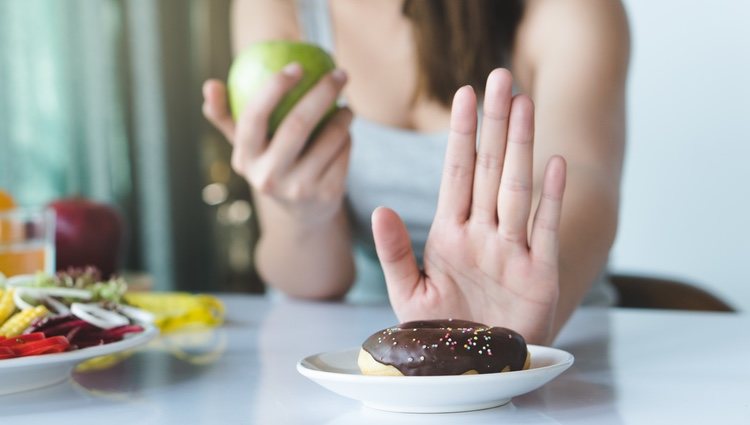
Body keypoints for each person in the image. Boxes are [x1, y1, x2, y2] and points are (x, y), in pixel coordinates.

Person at [202, 0, 629, 345]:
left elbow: (586, 181)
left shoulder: (567, 10)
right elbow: (316, 285)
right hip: (359, 355)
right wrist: (302, 214)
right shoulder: (280, 8)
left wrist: (512, 321)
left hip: (557, 341)